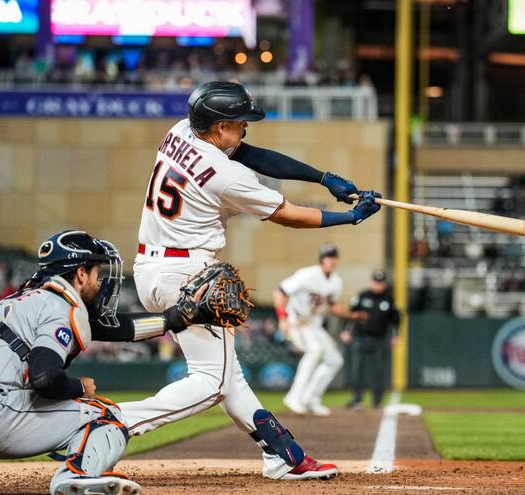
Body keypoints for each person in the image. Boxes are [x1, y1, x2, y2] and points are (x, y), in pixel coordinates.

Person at [119, 81, 381, 481]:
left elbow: (255, 156)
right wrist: (351, 217)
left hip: (152, 268)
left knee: (227, 374)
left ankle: (283, 453)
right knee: (212, 382)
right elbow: (288, 214)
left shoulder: (180, 131)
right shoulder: (225, 176)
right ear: (220, 126)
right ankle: (111, 422)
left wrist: (323, 178)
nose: (245, 128)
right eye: (240, 122)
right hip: (188, 276)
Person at [0, 230, 203, 495]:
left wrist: (173, 319)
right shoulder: (62, 305)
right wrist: (80, 387)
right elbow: (45, 378)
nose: (99, 280)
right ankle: (76, 477)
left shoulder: (18, 300)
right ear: (80, 273)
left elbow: (113, 327)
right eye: (96, 272)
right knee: (106, 415)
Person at [274, 244, 364, 416]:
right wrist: (282, 318)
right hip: (296, 321)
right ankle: (294, 397)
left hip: (314, 325)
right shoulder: (307, 274)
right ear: (322, 259)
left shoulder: (336, 282)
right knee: (315, 351)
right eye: (328, 257)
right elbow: (280, 292)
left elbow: (330, 306)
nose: (331, 260)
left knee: (335, 360)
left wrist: (351, 315)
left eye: (333, 257)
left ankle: (311, 399)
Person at [340, 270, 400, 410]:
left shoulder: (389, 298)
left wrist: (396, 335)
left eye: (381, 282)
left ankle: (377, 401)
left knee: (379, 370)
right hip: (361, 338)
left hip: (380, 339)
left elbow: (395, 320)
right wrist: (347, 331)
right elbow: (352, 315)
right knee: (357, 369)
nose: (378, 285)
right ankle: (357, 399)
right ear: (371, 281)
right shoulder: (361, 296)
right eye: (376, 282)